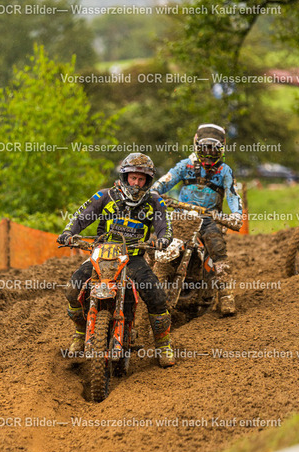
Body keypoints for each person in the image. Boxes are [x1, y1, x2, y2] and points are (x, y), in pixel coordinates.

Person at [57, 153, 175, 367]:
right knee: (73, 290)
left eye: (141, 179)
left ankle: (163, 345)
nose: (136, 183)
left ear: (148, 181)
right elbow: (81, 216)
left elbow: (164, 226)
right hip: (102, 256)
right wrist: (68, 233)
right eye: (133, 178)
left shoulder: (154, 201)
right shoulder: (105, 196)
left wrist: (163, 239)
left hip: (133, 257)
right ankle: (80, 332)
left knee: (157, 296)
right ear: (125, 177)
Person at [152, 124, 243, 316]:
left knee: (217, 247)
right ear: (197, 147)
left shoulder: (224, 170)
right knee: (158, 242)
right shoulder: (185, 165)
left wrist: (236, 214)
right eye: (205, 149)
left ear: (221, 150)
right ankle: (150, 285)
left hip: (209, 218)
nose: (209, 155)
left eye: (213, 150)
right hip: (181, 216)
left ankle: (226, 294)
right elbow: (166, 181)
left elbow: (232, 194)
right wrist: (152, 192)